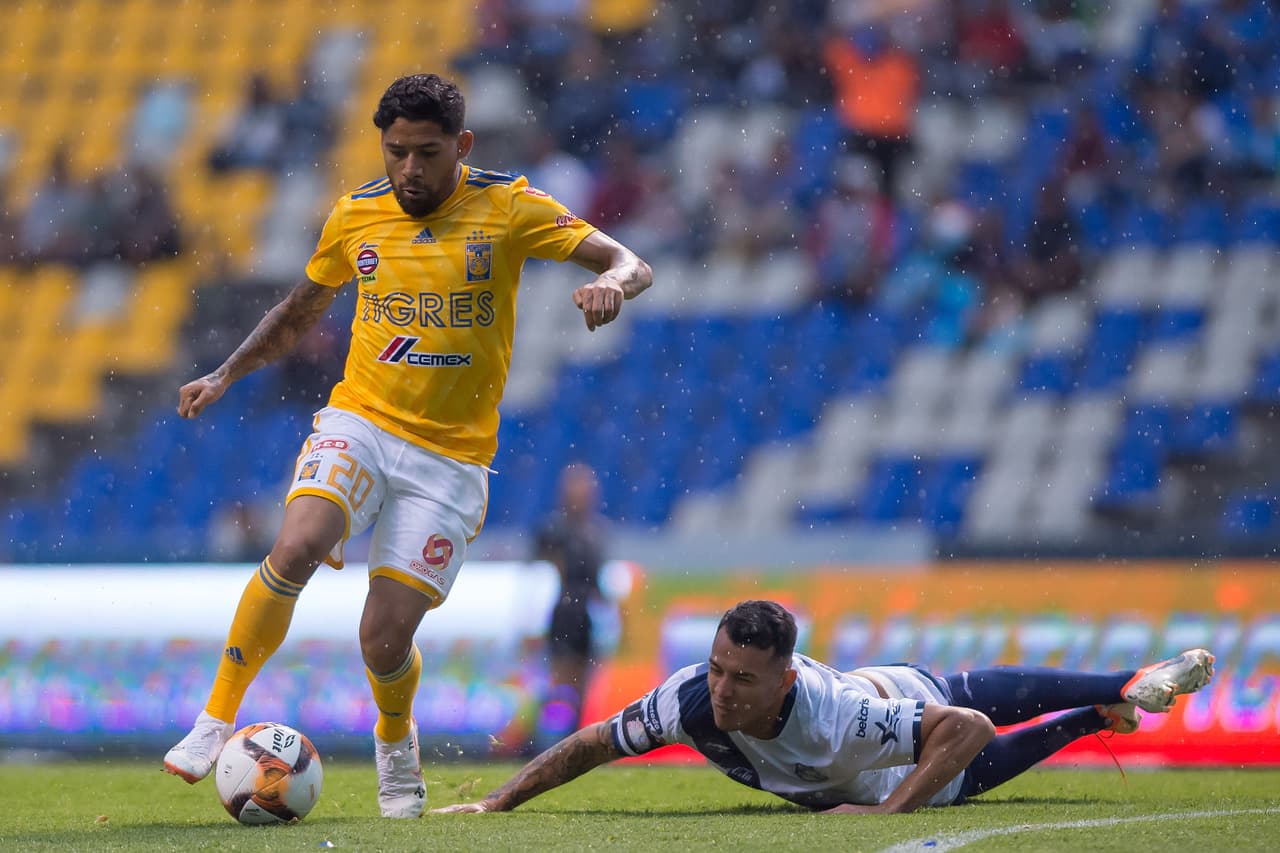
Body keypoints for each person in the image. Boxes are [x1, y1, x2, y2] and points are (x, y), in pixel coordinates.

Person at [161, 72, 653, 819]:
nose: (410, 171)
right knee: (297, 545)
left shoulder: (511, 207)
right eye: (396, 153)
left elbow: (631, 261)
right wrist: (227, 372)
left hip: (451, 459)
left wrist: (612, 282)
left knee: (382, 637)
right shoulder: (357, 213)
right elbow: (302, 308)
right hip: (361, 418)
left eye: (427, 154)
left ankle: (396, 739)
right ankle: (214, 718)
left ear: (462, 145)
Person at [432, 599, 1215, 815]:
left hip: (909, 750)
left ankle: (1109, 693)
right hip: (883, 691)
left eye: (744, 678)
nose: (725, 689)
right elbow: (595, 741)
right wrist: (498, 802)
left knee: (975, 721)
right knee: (976, 689)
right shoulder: (689, 698)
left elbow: (968, 731)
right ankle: (1111, 700)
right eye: (718, 668)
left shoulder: (831, 717)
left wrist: (890, 813)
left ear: (785, 680)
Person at [530, 463, 608, 750]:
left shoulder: (597, 532)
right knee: (557, 682)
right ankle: (543, 743)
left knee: (581, 684)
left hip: (584, 616)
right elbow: (538, 577)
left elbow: (598, 583)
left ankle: (574, 743)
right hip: (561, 613)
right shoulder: (553, 529)